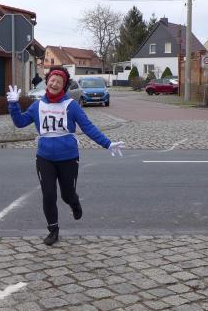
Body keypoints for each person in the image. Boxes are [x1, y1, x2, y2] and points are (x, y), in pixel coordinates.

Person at [7, 66, 124, 245]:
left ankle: (74, 202)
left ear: (64, 86)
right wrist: (13, 104)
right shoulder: (38, 105)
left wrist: (107, 143)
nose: (54, 84)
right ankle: (53, 230)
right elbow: (20, 122)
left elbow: (88, 127)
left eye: (59, 82)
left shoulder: (71, 106)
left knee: (67, 195)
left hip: (68, 157)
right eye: (52, 80)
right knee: (48, 194)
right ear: (47, 82)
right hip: (44, 157)